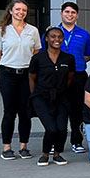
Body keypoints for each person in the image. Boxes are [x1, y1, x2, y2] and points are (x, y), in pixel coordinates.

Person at [0, 0, 41, 160]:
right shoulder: (2, 31)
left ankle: (23, 146)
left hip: (26, 74)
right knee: (9, 111)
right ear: (11, 11)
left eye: (24, 10)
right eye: (18, 9)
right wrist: (7, 63)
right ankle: (7, 148)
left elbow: (36, 51)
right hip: (8, 74)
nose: (21, 13)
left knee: (25, 111)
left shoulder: (32, 30)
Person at [50, 1, 90, 154]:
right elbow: (43, 53)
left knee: (77, 111)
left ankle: (77, 141)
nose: (70, 15)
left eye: (73, 13)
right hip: (56, 77)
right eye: (67, 12)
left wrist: (75, 63)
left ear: (77, 16)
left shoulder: (84, 34)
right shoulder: (52, 33)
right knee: (55, 109)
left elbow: (88, 55)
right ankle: (54, 143)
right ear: (61, 14)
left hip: (78, 76)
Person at [28, 27, 75, 166]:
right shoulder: (38, 58)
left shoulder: (69, 58)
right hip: (41, 97)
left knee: (61, 128)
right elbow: (32, 78)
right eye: (53, 36)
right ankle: (45, 154)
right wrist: (34, 95)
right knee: (51, 128)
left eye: (60, 37)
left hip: (61, 96)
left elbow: (70, 77)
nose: (57, 39)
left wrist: (61, 90)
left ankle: (57, 154)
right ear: (46, 39)